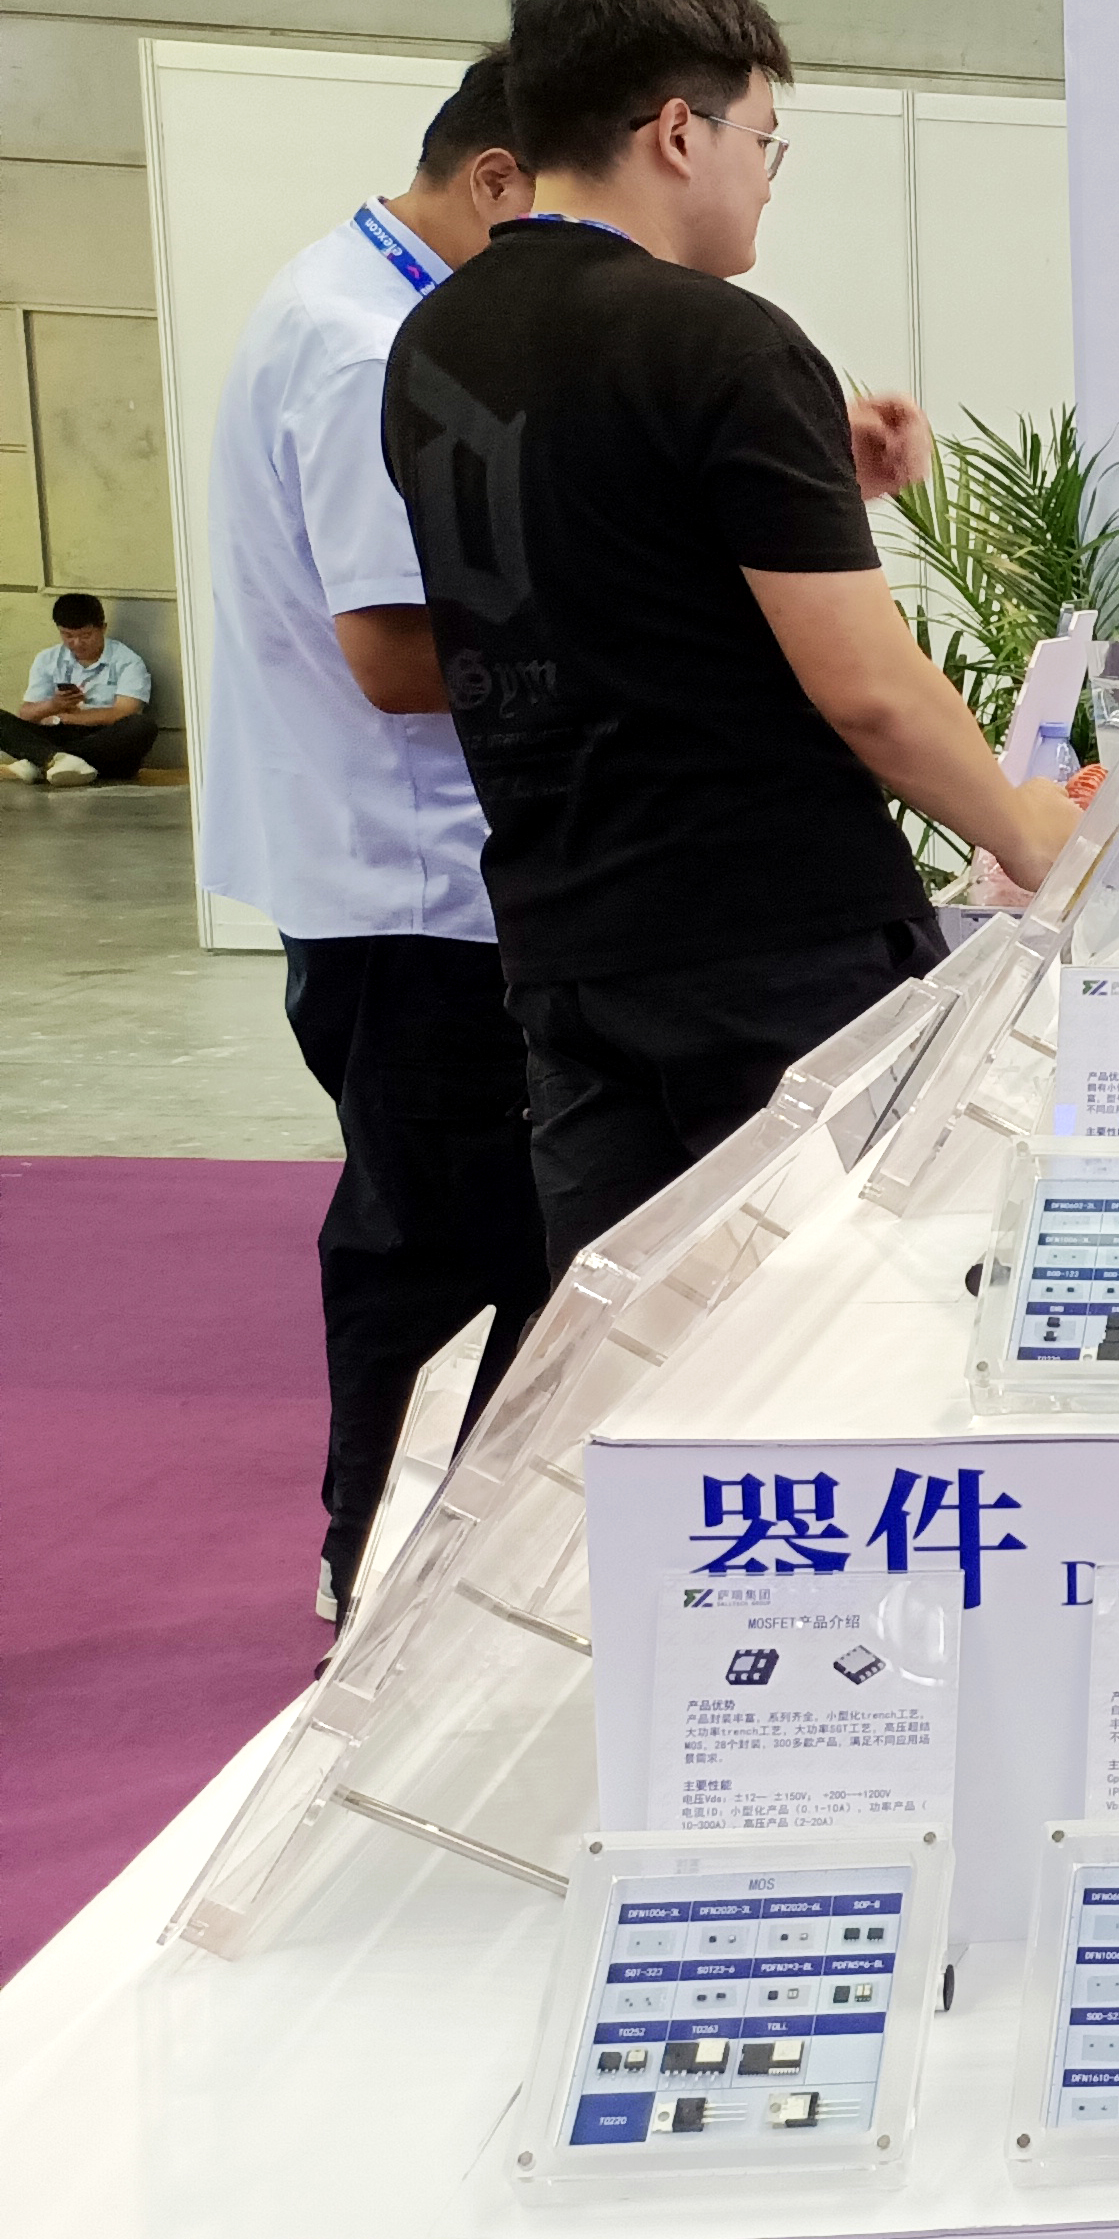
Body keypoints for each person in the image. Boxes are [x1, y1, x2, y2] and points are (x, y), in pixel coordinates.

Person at [386, 0, 1075, 1275]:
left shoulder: (436, 341)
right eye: (763, 138)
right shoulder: (720, 339)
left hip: (568, 940)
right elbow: (867, 689)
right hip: (773, 946)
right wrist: (1025, 829)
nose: (767, 175)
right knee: (827, 1320)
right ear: (677, 133)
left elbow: (607, 567)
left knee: (624, 1333)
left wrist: (802, 474)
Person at [194, 54, 549, 1624]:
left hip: (405, 872)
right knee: (434, 1240)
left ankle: (429, 1563)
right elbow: (397, 656)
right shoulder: (367, 348)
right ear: (495, 178)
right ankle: (380, 1569)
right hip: (408, 885)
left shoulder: (372, 308)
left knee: (465, 1223)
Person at [6, 595, 159, 786]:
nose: (77, 643)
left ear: (103, 628)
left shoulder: (127, 661)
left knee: (142, 726)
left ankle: (45, 761)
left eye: (86, 636)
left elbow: (124, 712)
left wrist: (65, 717)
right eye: (68, 636)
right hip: (59, 734)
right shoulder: (47, 659)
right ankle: (56, 761)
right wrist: (53, 705)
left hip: (104, 739)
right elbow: (27, 714)